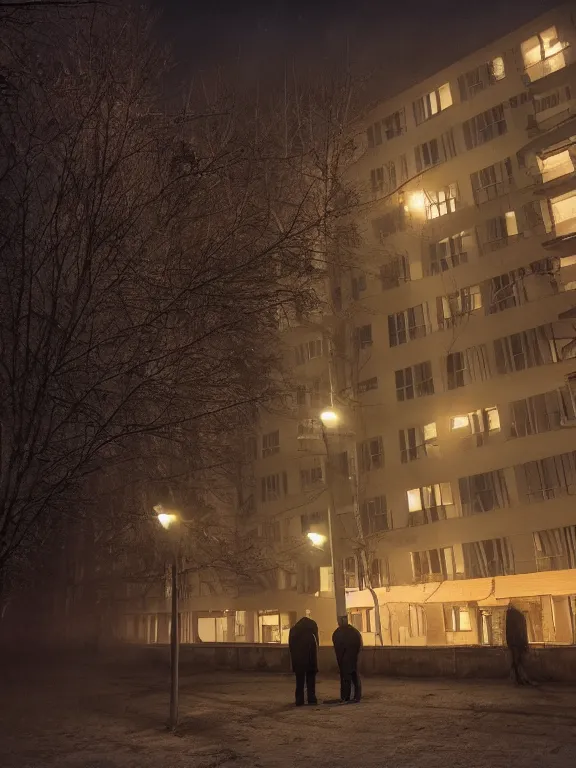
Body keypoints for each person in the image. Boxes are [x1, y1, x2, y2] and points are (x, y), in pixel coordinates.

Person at [288, 616, 319, 706]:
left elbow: (291, 648)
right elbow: (317, 645)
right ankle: (311, 698)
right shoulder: (311, 633)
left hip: (298, 661)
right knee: (311, 680)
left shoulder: (294, 631)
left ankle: (299, 699)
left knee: (299, 681)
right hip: (310, 660)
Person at [332, 617, 363, 703]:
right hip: (352, 659)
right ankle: (356, 696)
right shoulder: (354, 632)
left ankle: (346, 696)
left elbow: (337, 648)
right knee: (354, 677)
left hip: (345, 659)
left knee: (346, 678)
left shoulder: (338, 633)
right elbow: (359, 645)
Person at [506, 603, 530, 685]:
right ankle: (519, 678)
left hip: (514, 643)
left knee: (516, 661)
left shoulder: (512, 616)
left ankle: (518, 678)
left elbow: (509, 632)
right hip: (518, 643)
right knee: (518, 661)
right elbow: (521, 631)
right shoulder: (519, 616)